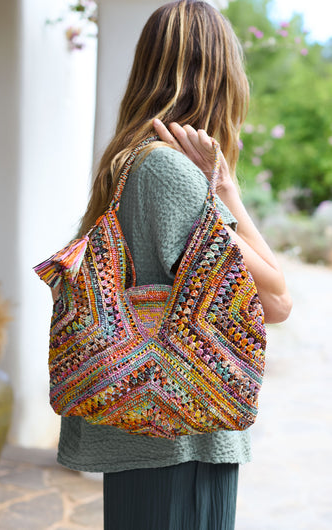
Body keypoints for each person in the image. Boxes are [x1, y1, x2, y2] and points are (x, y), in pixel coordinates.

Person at [55, 1, 292, 529]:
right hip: (182, 444)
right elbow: (276, 300)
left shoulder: (129, 159)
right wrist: (224, 192)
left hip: (150, 436)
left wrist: (223, 187)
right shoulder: (169, 171)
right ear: (219, 75)